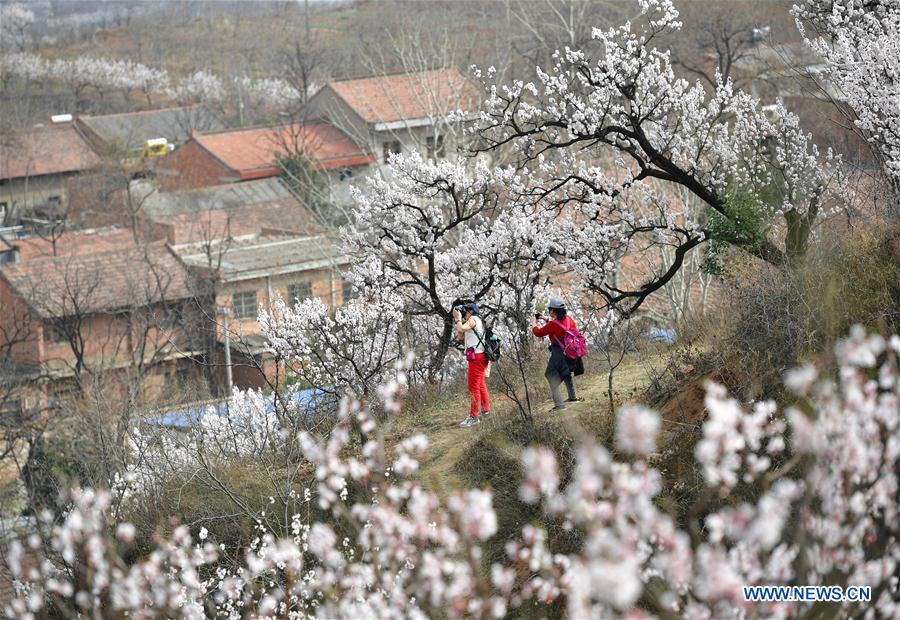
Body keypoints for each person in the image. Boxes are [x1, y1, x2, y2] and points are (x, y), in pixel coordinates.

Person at [531, 296, 582, 410]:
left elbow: (538, 332)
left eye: (550, 310)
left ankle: (559, 405)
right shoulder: (569, 319)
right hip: (571, 352)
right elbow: (561, 326)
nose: (549, 311)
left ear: (553, 311)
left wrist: (533, 323)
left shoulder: (553, 325)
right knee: (567, 372)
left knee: (550, 375)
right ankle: (573, 398)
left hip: (559, 353)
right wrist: (545, 319)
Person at [453, 303, 490, 427]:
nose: (464, 314)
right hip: (480, 357)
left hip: (477, 358)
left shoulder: (474, 319)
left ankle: (474, 416)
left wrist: (458, 319)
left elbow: (461, 328)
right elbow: (460, 336)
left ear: (470, 311)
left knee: (473, 388)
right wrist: (460, 321)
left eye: (465, 312)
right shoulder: (476, 321)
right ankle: (485, 410)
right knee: (480, 385)